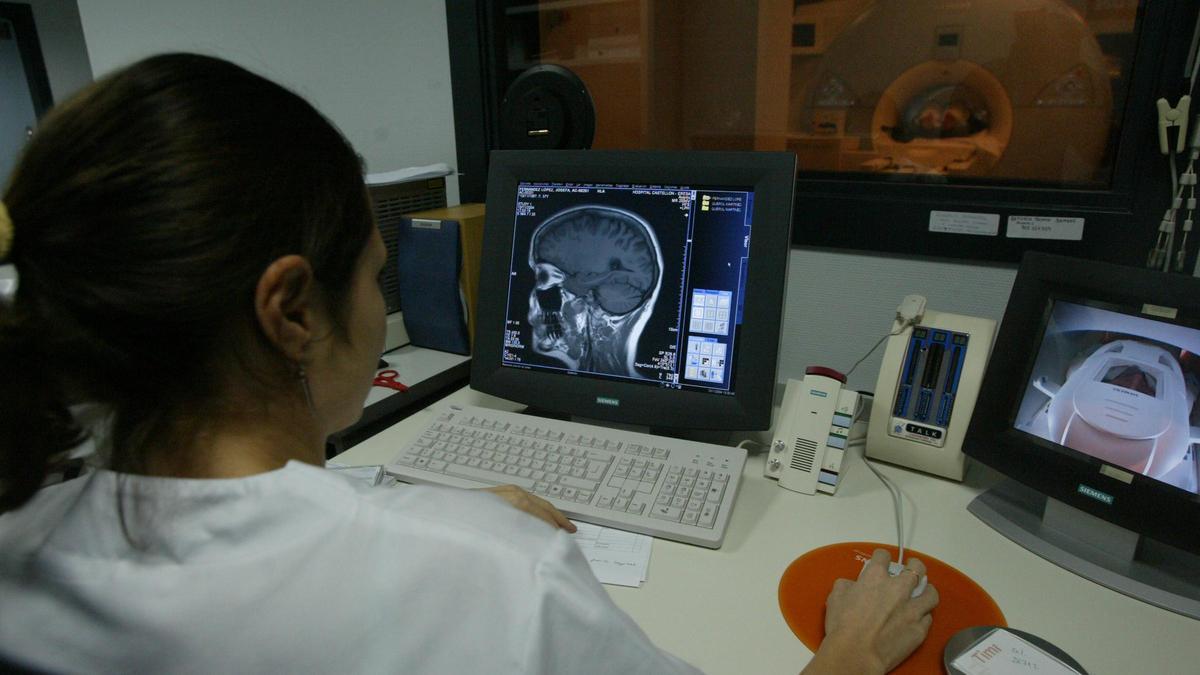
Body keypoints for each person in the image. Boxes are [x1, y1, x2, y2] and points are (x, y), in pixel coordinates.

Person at [0, 53, 937, 674]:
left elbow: (231, 524)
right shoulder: (495, 579)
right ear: (292, 312)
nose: (382, 305)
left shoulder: (25, 522)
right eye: (376, 274)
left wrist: (387, 500)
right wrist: (848, 652)